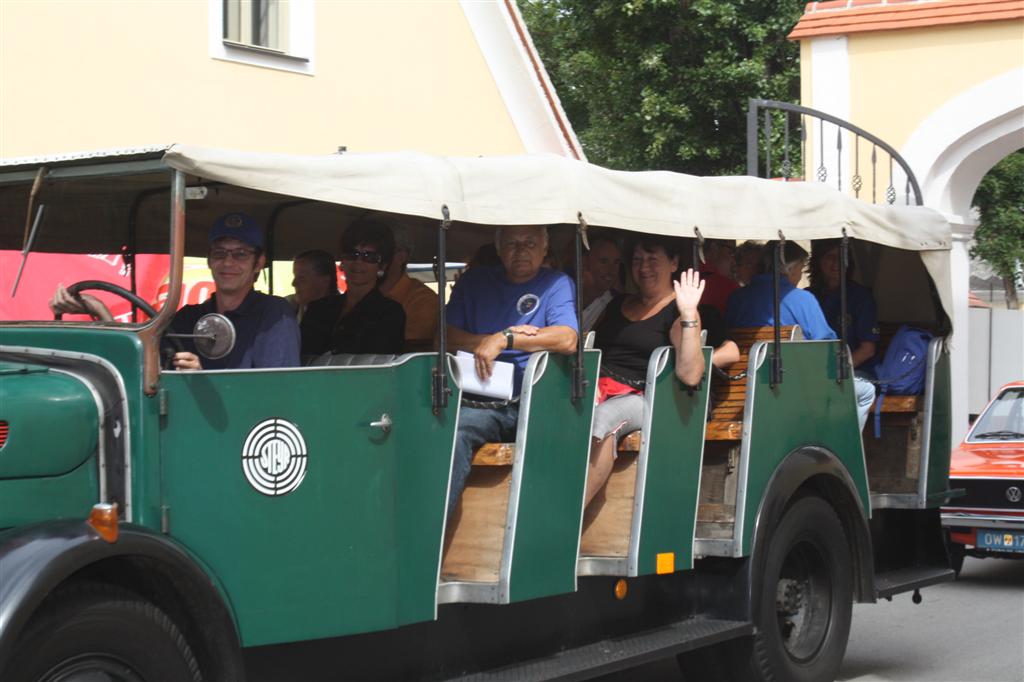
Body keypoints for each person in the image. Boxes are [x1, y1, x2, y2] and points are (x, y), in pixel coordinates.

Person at [49, 212, 300, 370]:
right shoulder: (189, 317)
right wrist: (98, 309)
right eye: (220, 253)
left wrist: (203, 378)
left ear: (258, 262)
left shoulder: (274, 315)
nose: (228, 263)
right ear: (209, 260)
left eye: (241, 254)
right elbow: (144, 366)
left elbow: (274, 391)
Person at [445, 225, 578, 517]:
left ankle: (429, 534)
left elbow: (567, 338)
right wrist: (487, 341)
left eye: (530, 243)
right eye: (511, 244)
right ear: (498, 249)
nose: (520, 251)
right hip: (466, 391)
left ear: (545, 249)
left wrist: (505, 339)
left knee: (454, 431)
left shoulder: (556, 283)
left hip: (518, 404)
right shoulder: (475, 281)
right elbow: (443, 337)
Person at [584, 237, 706, 507]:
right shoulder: (617, 304)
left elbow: (691, 374)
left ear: (674, 263)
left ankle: (566, 519)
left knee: (603, 420)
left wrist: (688, 313)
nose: (644, 268)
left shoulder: (679, 310)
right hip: (598, 386)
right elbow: (589, 346)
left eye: (653, 260)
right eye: (638, 260)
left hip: (642, 397)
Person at [725, 240, 875, 430]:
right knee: (866, 391)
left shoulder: (737, 299)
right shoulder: (802, 299)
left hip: (744, 390)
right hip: (792, 389)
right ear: (790, 268)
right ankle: (837, 446)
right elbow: (828, 349)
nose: (799, 275)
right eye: (800, 269)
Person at [301, 216, 406, 357]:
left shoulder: (390, 313)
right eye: (352, 254)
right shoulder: (317, 308)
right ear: (342, 261)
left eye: (369, 256)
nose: (358, 262)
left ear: (382, 266)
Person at [808, 239, 880, 376]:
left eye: (842, 257)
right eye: (830, 257)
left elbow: (867, 349)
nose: (837, 262)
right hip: (816, 371)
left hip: (855, 370)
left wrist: (835, 373)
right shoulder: (808, 296)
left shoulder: (860, 296)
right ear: (818, 261)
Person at [379, 223, 438, 352]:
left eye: (381, 252)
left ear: (401, 257)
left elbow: (406, 349)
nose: (373, 259)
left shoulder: (424, 300)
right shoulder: (358, 295)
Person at [578, 235, 623, 333]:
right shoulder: (563, 292)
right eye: (603, 262)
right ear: (585, 261)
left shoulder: (615, 304)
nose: (611, 270)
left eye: (616, 262)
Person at [289, 249, 339, 323]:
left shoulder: (343, 315)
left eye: (301, 278)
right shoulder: (286, 307)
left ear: (325, 281)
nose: (293, 283)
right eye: (295, 277)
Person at [699, 239, 740, 315]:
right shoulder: (731, 289)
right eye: (732, 252)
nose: (734, 262)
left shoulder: (684, 276)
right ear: (715, 248)